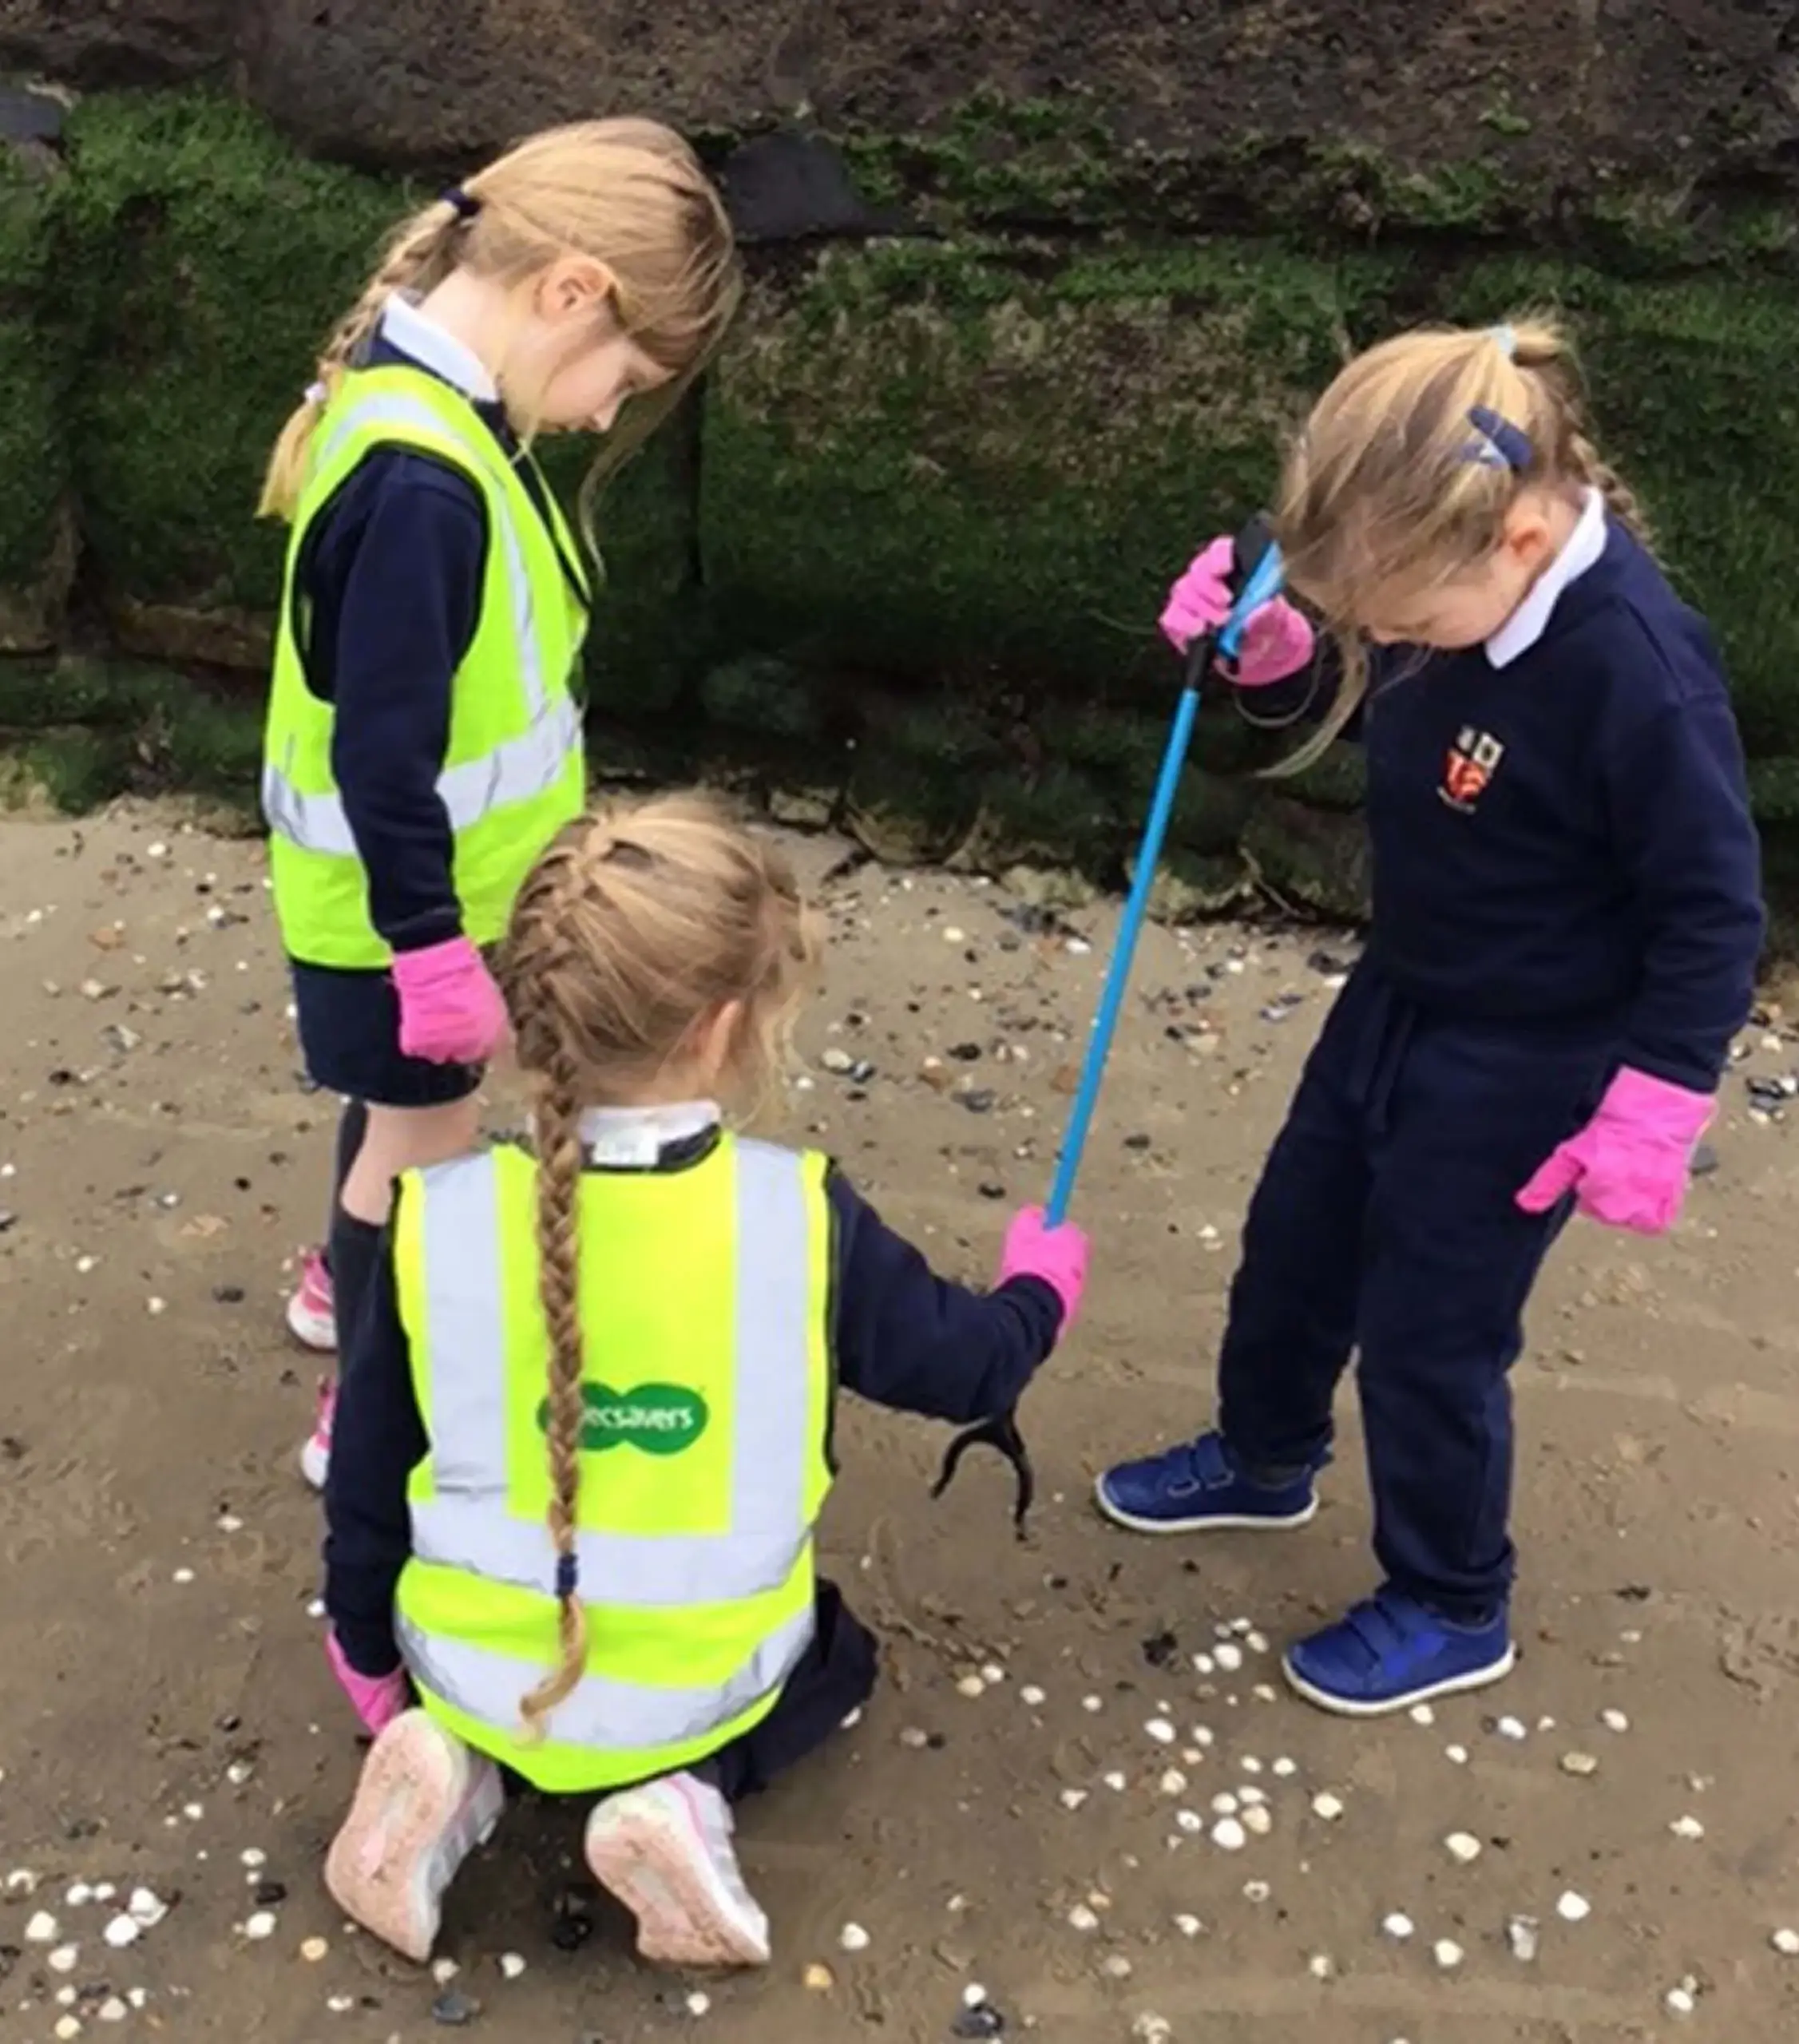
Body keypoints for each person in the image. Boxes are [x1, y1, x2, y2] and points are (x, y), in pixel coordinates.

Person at [1096, 317, 1764, 1716]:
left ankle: (1454, 1596)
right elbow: (1344, 680)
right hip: (1405, 988)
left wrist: (1656, 1100)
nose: (1381, 640)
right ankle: (1266, 1456)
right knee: (1296, 1238)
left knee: (1431, 1326)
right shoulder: (1435, 564)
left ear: (1516, 545)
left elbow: (1712, 913)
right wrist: (1267, 647)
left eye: (1393, 620)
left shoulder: (1640, 672)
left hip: (1539, 1053)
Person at [318, 793, 1090, 1966]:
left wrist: (374, 1660)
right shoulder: (796, 1213)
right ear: (728, 1029)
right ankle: (686, 1794)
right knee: (838, 1659)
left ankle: (458, 1769)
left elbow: (366, 1481)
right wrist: (1038, 1291)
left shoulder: (432, 1217)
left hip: (465, 1661)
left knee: (470, 1666)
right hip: (711, 1678)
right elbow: (968, 1368)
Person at [256, 119, 741, 1487]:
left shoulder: (427, 402)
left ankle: (334, 1280)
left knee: (396, 1120)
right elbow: (383, 755)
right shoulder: (426, 484)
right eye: (622, 380)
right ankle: (370, 1394)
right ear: (569, 290)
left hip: (417, 906)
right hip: (408, 921)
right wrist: (426, 950)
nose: (603, 413)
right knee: (424, 1154)